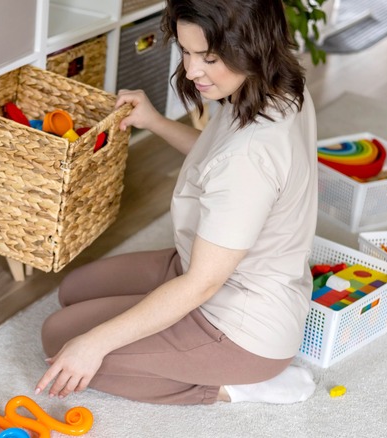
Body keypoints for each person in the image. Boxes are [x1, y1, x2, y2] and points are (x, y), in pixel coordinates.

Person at [35, 0, 319, 405]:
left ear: (251, 46)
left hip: (239, 325)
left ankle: (236, 387)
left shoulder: (249, 157)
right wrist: (153, 121)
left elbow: (201, 284)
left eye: (209, 57)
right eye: (186, 51)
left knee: (62, 339)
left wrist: (94, 344)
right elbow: (213, 159)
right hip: (208, 268)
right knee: (74, 291)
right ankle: (165, 328)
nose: (191, 70)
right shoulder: (277, 85)